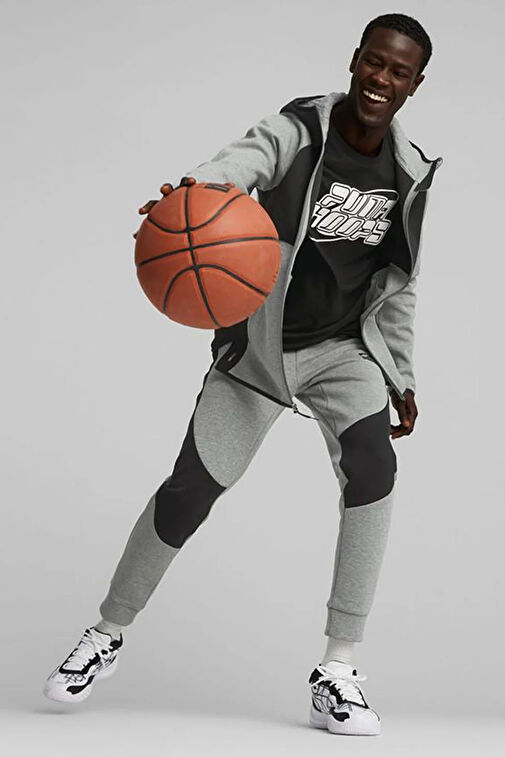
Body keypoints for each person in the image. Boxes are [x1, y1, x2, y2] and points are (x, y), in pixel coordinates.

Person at [43, 12, 442, 736]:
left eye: (398, 71)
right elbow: (239, 163)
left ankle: (338, 669)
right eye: (374, 62)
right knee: (190, 489)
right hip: (258, 350)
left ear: (415, 85)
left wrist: (402, 376)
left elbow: (400, 285)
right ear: (355, 59)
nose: (381, 79)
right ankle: (106, 631)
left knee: (373, 467)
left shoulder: (409, 173)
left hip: (341, 351)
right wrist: (189, 195)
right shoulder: (300, 129)